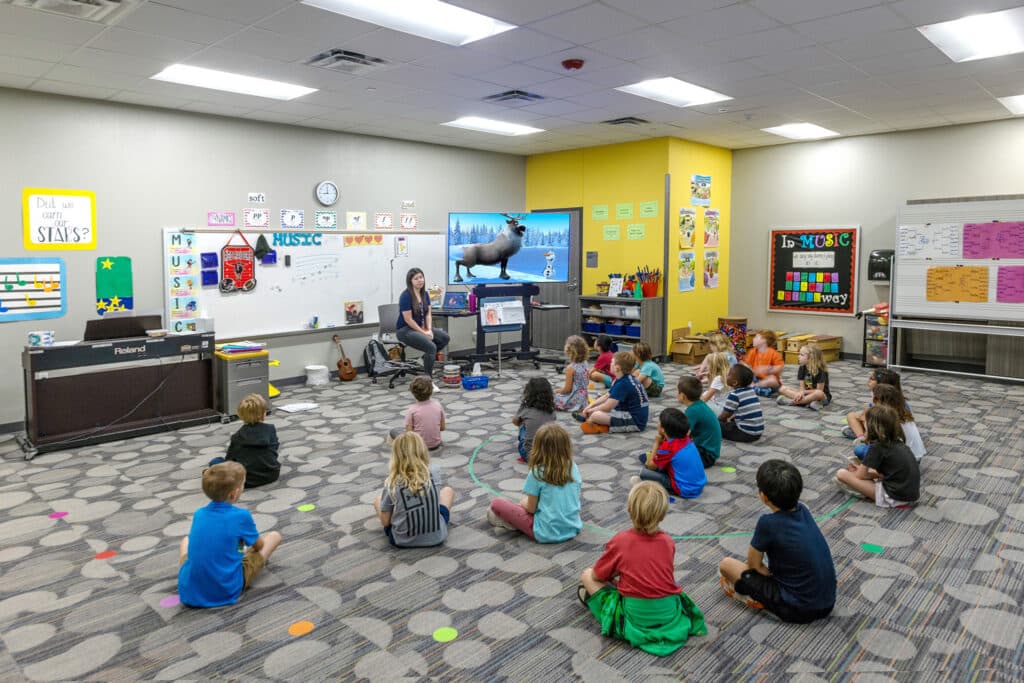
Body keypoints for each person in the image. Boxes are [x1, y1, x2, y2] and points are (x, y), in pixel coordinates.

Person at [578, 481, 706, 656]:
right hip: (669, 612)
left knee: (586, 575)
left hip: (635, 617)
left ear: (629, 509)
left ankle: (604, 608)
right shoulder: (668, 542)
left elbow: (598, 574)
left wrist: (612, 577)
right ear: (662, 515)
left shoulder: (620, 540)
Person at [718, 460, 835, 623]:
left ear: (763, 496)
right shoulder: (804, 511)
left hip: (798, 609)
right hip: (828, 602)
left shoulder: (767, 523)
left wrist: (764, 577)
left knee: (726, 565)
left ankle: (756, 598)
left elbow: (754, 566)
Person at [177, 461, 283, 608]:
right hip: (226, 589)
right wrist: (246, 547)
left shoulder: (198, 514)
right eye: (243, 485)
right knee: (274, 537)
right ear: (234, 493)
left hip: (189, 590)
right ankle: (237, 554)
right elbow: (259, 546)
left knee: (185, 541)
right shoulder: (241, 516)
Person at [487, 423, 582, 543]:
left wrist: (522, 502)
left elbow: (531, 509)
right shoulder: (573, 467)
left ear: (538, 447)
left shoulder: (537, 472)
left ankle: (512, 523)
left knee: (497, 503)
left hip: (545, 532)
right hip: (572, 526)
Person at [374, 432, 455, 547]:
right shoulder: (435, 471)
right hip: (437, 537)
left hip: (401, 540)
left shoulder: (392, 482)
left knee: (378, 500)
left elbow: (385, 522)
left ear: (396, 455)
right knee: (447, 491)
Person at [836, 405, 920, 508]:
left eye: (865, 423)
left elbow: (860, 476)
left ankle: (862, 492)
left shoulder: (877, 447)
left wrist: (857, 472)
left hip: (894, 497)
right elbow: (882, 474)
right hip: (911, 495)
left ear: (872, 427)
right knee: (864, 472)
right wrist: (862, 471)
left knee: (841, 474)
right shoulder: (898, 442)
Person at [630, 408, 706, 498]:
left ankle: (649, 487)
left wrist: (657, 442)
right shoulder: (686, 438)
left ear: (663, 429)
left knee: (643, 473)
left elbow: (649, 465)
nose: (657, 424)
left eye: (659, 422)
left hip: (684, 489)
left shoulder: (668, 447)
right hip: (698, 485)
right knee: (644, 457)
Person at [396, 267, 450, 381]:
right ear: (410, 281)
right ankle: (427, 380)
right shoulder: (405, 296)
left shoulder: (425, 294)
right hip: (405, 330)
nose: (420, 280)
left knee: (444, 338)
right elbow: (408, 319)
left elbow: (428, 314)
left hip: (421, 327)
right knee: (431, 347)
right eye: (416, 279)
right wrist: (423, 332)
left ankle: (424, 359)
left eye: (421, 277)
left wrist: (429, 329)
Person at [577, 350, 649, 434]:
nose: (610, 364)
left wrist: (591, 411)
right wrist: (590, 406)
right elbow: (606, 396)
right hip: (632, 415)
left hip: (635, 422)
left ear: (617, 368)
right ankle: (593, 420)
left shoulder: (623, 383)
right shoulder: (623, 378)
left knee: (595, 415)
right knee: (598, 409)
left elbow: (607, 407)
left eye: (612, 362)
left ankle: (600, 426)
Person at [220, 393, 279, 487]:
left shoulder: (237, 437)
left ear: (240, 415)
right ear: (264, 414)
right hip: (272, 475)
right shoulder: (271, 429)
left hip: (246, 480)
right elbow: (274, 450)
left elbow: (230, 460)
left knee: (216, 461)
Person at [857, 384, 926, 461]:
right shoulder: (902, 411)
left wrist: (866, 423)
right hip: (915, 458)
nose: (871, 402)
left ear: (879, 401)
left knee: (859, 450)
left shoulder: (887, 417)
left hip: (902, 460)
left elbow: (874, 442)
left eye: (873, 398)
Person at [842, 368, 906, 440]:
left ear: (881, 383)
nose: (868, 379)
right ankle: (860, 437)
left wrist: (865, 419)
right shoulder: (879, 394)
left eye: (872, 379)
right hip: (880, 424)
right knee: (851, 416)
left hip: (888, 431)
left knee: (858, 449)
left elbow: (879, 419)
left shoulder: (887, 400)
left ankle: (862, 437)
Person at [388, 375, 445, 450]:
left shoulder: (412, 410)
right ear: (431, 391)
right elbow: (442, 428)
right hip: (436, 444)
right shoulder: (438, 405)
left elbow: (409, 434)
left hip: (418, 447)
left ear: (413, 392)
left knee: (393, 432)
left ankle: (401, 452)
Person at [677, 376, 722, 467]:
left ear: (683, 396)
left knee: (672, 458)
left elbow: (683, 436)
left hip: (706, 455)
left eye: (677, 392)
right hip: (708, 451)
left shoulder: (692, 411)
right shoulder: (699, 404)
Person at [777, 342, 831, 411]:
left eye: (801, 355)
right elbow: (802, 388)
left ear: (811, 358)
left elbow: (819, 390)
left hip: (821, 397)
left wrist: (803, 392)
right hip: (806, 394)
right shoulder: (802, 367)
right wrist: (800, 393)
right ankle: (808, 402)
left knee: (819, 393)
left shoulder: (821, 370)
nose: (798, 356)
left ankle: (793, 402)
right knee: (782, 388)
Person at [513, 377, 556, 463]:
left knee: (522, 424)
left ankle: (525, 445)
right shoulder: (552, 411)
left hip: (529, 455)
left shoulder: (526, 409)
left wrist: (522, 407)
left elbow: (515, 421)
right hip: (549, 454)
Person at [718, 364, 765, 442]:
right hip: (757, 433)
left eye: (729, 374)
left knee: (716, 425)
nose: (727, 375)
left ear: (735, 383)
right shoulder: (751, 391)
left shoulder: (735, 395)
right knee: (731, 420)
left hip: (745, 434)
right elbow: (746, 410)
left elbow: (724, 416)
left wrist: (717, 421)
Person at [743, 329, 784, 396]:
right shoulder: (753, 351)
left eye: (756, 337)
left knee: (772, 380)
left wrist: (767, 369)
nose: (753, 339)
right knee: (743, 376)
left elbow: (780, 367)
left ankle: (753, 387)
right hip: (755, 378)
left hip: (767, 381)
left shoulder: (773, 353)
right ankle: (757, 389)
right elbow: (746, 365)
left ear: (764, 340)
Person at [555, 335, 590, 413]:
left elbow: (567, 389)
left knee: (552, 397)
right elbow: (586, 382)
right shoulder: (585, 363)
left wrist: (556, 391)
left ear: (570, 351)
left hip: (573, 400)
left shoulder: (570, 368)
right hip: (584, 399)